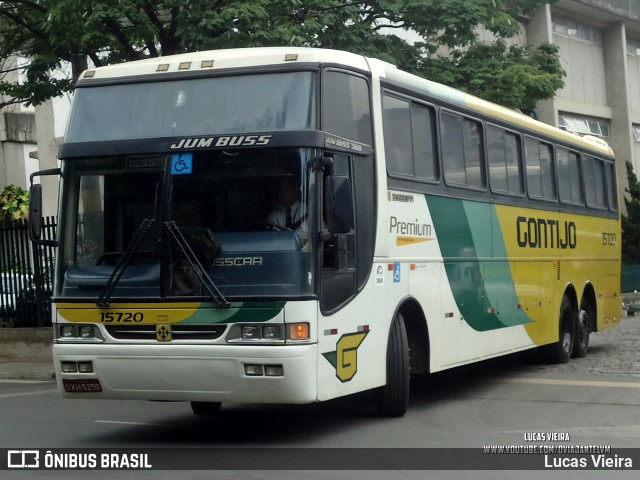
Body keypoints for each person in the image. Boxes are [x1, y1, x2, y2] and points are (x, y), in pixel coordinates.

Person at [266, 177, 308, 242]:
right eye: (279, 191)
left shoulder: (306, 210)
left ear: (295, 192)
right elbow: (271, 236)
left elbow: (324, 233)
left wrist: (296, 235)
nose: (282, 194)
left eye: (286, 190)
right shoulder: (274, 214)